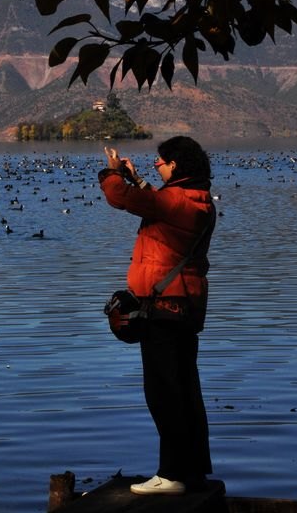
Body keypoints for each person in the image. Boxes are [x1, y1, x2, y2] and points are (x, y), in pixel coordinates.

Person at [100, 136, 216, 496]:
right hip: (182, 307)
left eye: (162, 161)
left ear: (177, 166)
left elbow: (120, 198)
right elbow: (159, 202)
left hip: (164, 308)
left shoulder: (176, 201)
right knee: (184, 390)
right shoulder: (197, 200)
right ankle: (192, 471)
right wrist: (139, 180)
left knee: (164, 392)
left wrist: (112, 173)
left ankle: (172, 474)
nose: (157, 165)